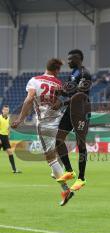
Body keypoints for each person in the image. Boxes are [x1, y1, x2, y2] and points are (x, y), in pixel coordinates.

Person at [12, 58, 74, 206]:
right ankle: (57, 171)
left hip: (45, 123)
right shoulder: (58, 83)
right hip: (59, 120)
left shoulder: (34, 80)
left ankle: (66, 190)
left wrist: (20, 118)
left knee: (49, 157)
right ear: (57, 70)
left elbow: (29, 100)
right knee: (57, 149)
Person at [55, 49, 92, 191]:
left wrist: (62, 102)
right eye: (68, 59)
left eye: (71, 59)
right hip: (70, 109)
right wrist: (59, 91)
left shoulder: (85, 74)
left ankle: (81, 178)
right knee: (58, 139)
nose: (68, 61)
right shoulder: (73, 73)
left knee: (80, 144)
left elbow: (80, 94)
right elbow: (69, 90)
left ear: (78, 59)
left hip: (81, 110)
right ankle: (69, 171)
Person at [0, 105, 21, 173]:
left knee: (10, 152)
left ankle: (14, 169)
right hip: (0, 136)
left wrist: (8, 136)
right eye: (5, 110)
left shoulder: (9, 119)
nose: (6, 111)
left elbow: (8, 128)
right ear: (2, 110)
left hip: (5, 137)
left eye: (7, 110)